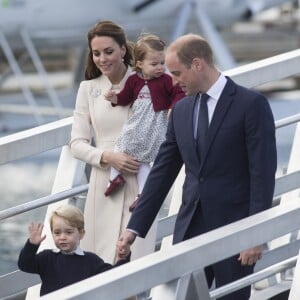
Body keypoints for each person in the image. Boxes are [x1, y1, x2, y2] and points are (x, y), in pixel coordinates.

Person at [118, 33, 277, 300]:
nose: (173, 81)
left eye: (178, 73)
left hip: (235, 231)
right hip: (190, 229)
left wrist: (254, 235)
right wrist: (134, 228)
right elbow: (162, 171)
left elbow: (262, 174)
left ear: (197, 64)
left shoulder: (251, 104)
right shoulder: (180, 111)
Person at [69, 20, 157, 264]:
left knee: (135, 269)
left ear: (123, 50)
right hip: (103, 187)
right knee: (101, 266)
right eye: (96, 53)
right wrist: (107, 156)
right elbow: (77, 142)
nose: (102, 58)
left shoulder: (147, 81)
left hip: (141, 184)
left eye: (108, 51)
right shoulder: (88, 89)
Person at [104, 34, 184, 210]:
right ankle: (116, 179)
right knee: (120, 147)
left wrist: (173, 107)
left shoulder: (166, 80)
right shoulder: (134, 80)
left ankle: (141, 193)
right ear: (139, 64)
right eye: (154, 64)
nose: (160, 68)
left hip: (154, 125)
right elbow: (125, 97)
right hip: (137, 124)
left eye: (162, 63)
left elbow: (178, 93)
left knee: (143, 162)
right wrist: (115, 98)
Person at [18, 204, 130, 296]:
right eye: (57, 233)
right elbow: (24, 264)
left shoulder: (91, 260)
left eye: (68, 232)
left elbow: (112, 275)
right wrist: (32, 244)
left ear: (81, 233)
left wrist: (123, 258)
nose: (62, 237)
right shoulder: (47, 257)